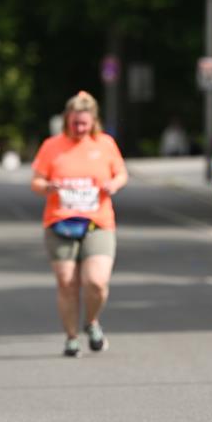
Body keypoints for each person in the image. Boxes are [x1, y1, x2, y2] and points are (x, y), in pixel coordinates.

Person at [31, 90, 128, 357]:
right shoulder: (52, 145)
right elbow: (36, 181)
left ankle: (91, 322)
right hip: (60, 222)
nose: (79, 128)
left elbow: (121, 173)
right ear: (67, 120)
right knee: (67, 283)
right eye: (75, 123)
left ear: (93, 121)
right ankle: (71, 337)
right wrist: (48, 187)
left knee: (96, 282)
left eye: (84, 123)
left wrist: (113, 184)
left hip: (98, 221)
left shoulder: (104, 144)